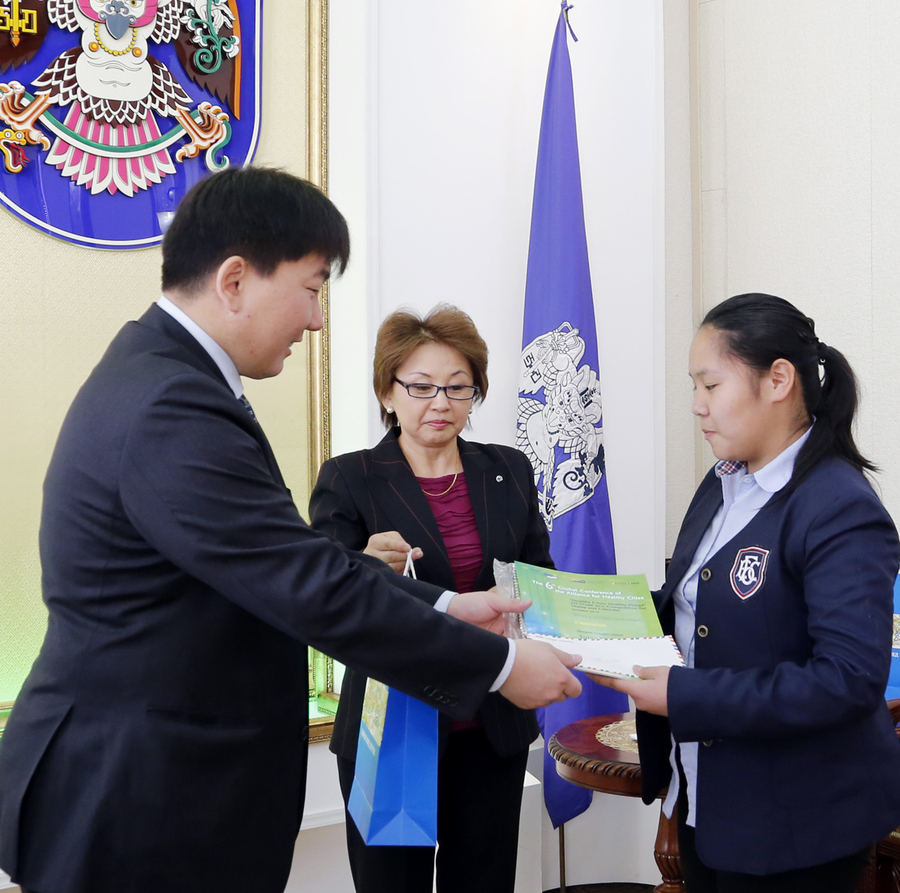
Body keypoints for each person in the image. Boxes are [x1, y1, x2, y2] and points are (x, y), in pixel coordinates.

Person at [0, 168, 584, 893]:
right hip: (139, 795)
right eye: (311, 289)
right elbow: (309, 585)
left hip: (153, 784)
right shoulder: (170, 405)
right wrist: (498, 666)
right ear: (236, 280)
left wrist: (445, 604)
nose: (315, 320)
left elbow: (292, 558)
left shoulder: (165, 379)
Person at [598, 293, 900, 893]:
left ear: (778, 380)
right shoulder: (723, 481)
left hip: (793, 824)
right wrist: (591, 618)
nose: (696, 406)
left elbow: (845, 679)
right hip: (706, 801)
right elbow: (697, 600)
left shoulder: (839, 507)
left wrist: (684, 694)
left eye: (710, 385)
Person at [310, 305, 551, 893]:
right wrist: (365, 563)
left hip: (491, 723)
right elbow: (323, 595)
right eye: (420, 387)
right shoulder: (351, 477)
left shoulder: (510, 470)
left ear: (475, 394)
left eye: (457, 387)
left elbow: (540, 575)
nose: (439, 402)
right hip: (393, 723)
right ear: (387, 393)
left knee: (485, 881)